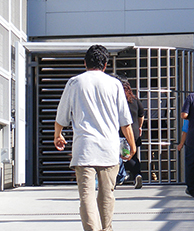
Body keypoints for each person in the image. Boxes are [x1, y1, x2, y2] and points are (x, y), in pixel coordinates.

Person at [54, 45, 136, 231]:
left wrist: (57, 134)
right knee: (107, 195)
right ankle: (106, 228)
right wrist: (132, 145)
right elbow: (125, 121)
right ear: (105, 64)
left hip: (84, 149)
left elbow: (62, 115)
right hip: (109, 149)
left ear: (85, 63)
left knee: (87, 197)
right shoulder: (114, 84)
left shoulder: (74, 83)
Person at [118, 76, 145, 189]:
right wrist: (139, 127)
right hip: (133, 132)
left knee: (120, 156)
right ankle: (137, 174)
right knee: (131, 156)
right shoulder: (135, 100)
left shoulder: (117, 100)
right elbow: (141, 114)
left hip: (121, 131)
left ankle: (120, 176)